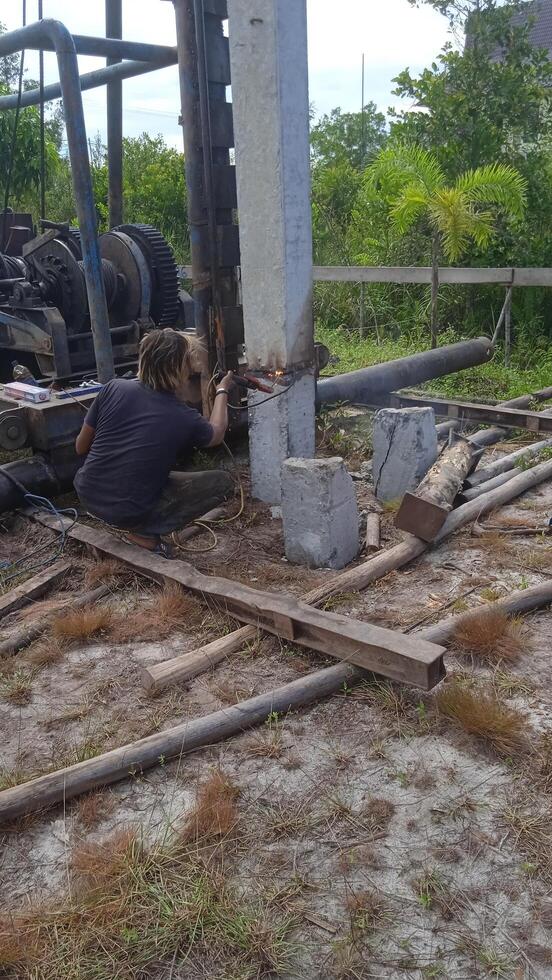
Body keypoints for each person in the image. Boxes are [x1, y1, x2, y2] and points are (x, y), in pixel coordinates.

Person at [74, 328, 234, 555]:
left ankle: (126, 519)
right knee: (222, 482)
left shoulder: (113, 387)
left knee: (155, 475)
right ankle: (143, 533)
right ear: (180, 368)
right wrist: (222, 390)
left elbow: (80, 447)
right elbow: (217, 433)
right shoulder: (181, 415)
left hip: (87, 494)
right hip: (127, 512)